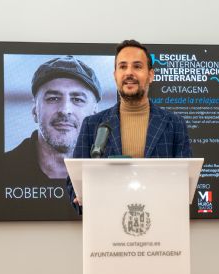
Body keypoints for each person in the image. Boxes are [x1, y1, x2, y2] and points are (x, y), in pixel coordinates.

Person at [67, 39, 191, 208]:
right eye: (123, 66)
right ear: (115, 75)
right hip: (107, 225)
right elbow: (74, 181)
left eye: (137, 66)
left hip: (161, 224)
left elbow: (186, 181)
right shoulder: (93, 124)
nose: (129, 73)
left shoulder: (175, 124)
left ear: (151, 75)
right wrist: (80, 198)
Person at [6, 55, 101, 180]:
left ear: (95, 115)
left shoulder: (114, 174)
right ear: (35, 110)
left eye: (77, 99)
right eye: (53, 98)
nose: (65, 110)